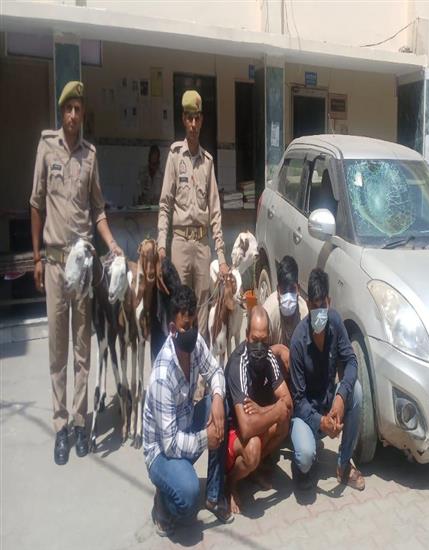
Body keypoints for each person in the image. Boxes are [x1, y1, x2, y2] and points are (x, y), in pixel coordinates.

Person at [29, 80, 122, 466]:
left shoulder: (90, 156)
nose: (72, 115)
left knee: (83, 347)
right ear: (61, 111)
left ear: (83, 114)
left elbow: (98, 209)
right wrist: (36, 258)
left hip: (82, 266)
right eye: (68, 109)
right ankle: (61, 425)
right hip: (53, 264)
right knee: (58, 349)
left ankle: (82, 423)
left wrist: (112, 243)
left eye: (78, 109)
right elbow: (36, 203)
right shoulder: (46, 147)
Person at [143, 284, 233, 537]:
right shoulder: (162, 375)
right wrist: (206, 439)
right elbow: (170, 444)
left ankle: (213, 495)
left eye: (194, 324)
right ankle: (163, 503)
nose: (192, 331)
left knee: (221, 406)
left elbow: (215, 371)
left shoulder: (195, 344)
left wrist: (217, 398)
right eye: (186, 326)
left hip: (185, 426)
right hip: (161, 451)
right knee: (188, 495)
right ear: (173, 329)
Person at [157, 90, 229, 341]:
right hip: (179, 244)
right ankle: (179, 361)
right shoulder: (175, 156)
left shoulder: (207, 162)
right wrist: (161, 249)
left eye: (197, 118)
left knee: (202, 313)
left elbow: (215, 211)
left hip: (201, 245)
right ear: (183, 119)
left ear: (202, 120)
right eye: (189, 118)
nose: (193, 124)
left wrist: (221, 257)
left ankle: (200, 365)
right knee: (179, 311)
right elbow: (165, 205)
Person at [290, 268, 365, 491]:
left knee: (356, 391)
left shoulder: (335, 321)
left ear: (329, 302)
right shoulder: (298, 341)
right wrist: (321, 421)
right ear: (307, 305)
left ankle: (344, 464)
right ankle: (301, 463)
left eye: (322, 305)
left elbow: (351, 361)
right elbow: (298, 401)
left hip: (330, 403)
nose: (319, 312)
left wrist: (341, 397)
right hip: (307, 414)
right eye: (314, 306)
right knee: (305, 457)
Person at [224, 306, 292, 514]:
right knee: (252, 446)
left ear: (269, 336)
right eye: (255, 339)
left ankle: (252, 469)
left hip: (254, 421)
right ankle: (229, 484)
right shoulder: (239, 363)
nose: (259, 346)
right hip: (232, 431)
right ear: (247, 335)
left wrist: (263, 410)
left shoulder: (269, 356)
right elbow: (245, 428)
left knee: (284, 422)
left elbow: (288, 403)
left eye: (264, 340)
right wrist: (275, 410)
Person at [263, 255, 308, 378]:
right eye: (284, 290)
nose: (288, 296)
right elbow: (258, 354)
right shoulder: (269, 313)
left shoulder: (304, 312)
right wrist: (279, 350)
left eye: (292, 289)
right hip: (272, 371)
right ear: (278, 290)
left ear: (298, 289)